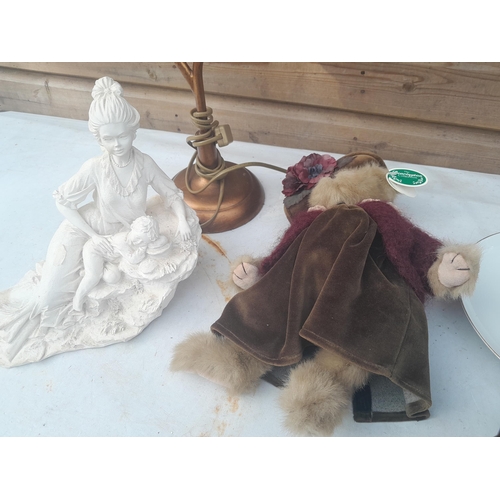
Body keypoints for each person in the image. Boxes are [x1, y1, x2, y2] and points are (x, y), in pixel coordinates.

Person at [27, 76, 193, 328]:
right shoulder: (95, 167)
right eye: (108, 139)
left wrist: (182, 220)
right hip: (85, 229)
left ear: (133, 132)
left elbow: (171, 194)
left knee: (101, 281)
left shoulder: (145, 164)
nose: (116, 145)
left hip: (120, 238)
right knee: (48, 297)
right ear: (99, 139)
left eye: (122, 136)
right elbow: (62, 201)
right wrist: (92, 235)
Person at [72, 215, 171, 312]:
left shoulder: (134, 241)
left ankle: (89, 270)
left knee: (113, 278)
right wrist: (142, 249)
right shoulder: (121, 240)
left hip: (108, 259)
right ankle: (78, 298)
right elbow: (132, 260)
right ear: (132, 227)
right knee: (93, 276)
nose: (138, 242)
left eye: (142, 242)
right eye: (138, 237)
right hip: (94, 251)